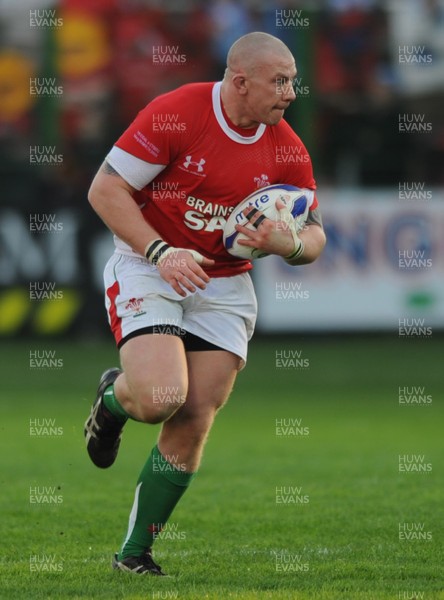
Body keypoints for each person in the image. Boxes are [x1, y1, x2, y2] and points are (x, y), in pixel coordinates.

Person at [84, 31, 326, 575]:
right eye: (280, 80)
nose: (292, 91)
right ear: (240, 81)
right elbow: (105, 190)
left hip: (224, 283)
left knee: (194, 417)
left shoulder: (286, 145)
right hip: (150, 264)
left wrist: (288, 243)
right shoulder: (178, 113)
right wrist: (160, 249)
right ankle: (113, 401)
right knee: (159, 397)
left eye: (294, 79)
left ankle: (133, 556)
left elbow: (314, 235)